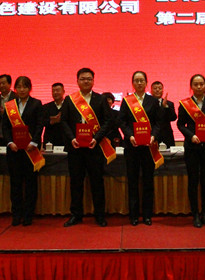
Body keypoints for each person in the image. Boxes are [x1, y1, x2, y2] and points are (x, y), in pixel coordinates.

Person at [60, 68, 115, 227]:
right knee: (76, 182)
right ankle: (76, 215)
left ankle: (100, 215)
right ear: (77, 81)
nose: (86, 81)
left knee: (97, 182)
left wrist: (96, 139)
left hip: (94, 148)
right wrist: (71, 138)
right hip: (75, 148)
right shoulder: (70, 100)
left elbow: (108, 121)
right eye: (83, 79)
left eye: (89, 79)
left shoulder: (100, 99)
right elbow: (63, 121)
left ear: (93, 81)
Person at [177, 74, 205, 228]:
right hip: (192, 148)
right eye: (196, 84)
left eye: (201, 83)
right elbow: (180, 124)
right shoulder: (185, 104)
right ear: (191, 87)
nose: (199, 86)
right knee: (193, 181)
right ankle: (195, 214)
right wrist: (191, 136)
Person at [119, 71, 161, 226]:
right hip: (132, 147)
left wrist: (153, 136)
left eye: (142, 80)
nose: (139, 83)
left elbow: (158, 123)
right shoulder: (127, 101)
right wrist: (129, 135)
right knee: (133, 181)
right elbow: (121, 121)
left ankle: (147, 215)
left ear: (146, 82)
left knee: (148, 181)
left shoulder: (153, 101)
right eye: (136, 80)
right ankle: (134, 215)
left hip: (149, 147)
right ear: (132, 83)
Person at [2, 76, 44, 226]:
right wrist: (9, 142)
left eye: (25, 87)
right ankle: (16, 214)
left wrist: (34, 142)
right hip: (14, 150)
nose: (22, 90)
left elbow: (40, 125)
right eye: (19, 87)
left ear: (30, 88)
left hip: (30, 150)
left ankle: (28, 215)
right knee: (15, 184)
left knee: (31, 184)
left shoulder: (36, 104)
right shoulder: (10, 105)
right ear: (15, 89)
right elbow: (5, 127)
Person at [150, 81, 177, 147]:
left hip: (166, 136)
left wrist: (166, 107)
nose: (157, 90)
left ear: (162, 90)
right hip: (152, 135)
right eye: (155, 88)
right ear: (151, 91)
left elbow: (173, 118)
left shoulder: (169, 103)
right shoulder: (147, 104)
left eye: (159, 88)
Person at [0, 74, 16, 148]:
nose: (1, 86)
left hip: (13, 137)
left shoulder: (17, 98)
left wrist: (6, 113)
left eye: (3, 83)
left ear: (10, 84)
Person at [41, 82, 66, 147]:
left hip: (66, 140)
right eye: (53, 91)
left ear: (63, 92)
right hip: (50, 141)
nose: (55, 93)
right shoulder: (46, 107)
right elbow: (41, 122)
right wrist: (51, 121)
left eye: (57, 90)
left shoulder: (68, 105)